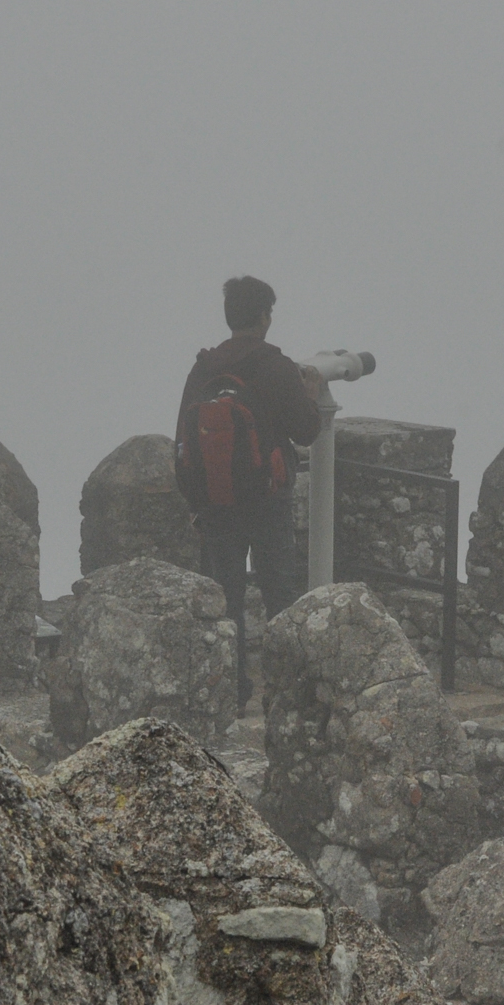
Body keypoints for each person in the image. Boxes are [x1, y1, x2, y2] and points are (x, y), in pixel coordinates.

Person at [176, 275, 320, 709]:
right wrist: (310, 392)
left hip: (216, 502)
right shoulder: (276, 367)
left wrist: (197, 502)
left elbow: (183, 440)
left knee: (225, 599)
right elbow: (307, 430)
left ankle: (231, 694)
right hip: (267, 499)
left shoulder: (204, 368)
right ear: (263, 317)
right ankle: (285, 695)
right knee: (279, 594)